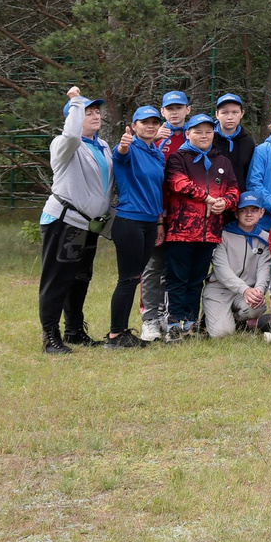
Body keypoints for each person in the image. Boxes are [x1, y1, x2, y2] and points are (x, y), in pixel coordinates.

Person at [39, 88, 114, 354]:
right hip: (65, 221)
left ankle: (74, 330)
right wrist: (74, 101)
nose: (95, 117)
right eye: (87, 113)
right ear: (73, 117)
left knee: (81, 278)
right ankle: (50, 337)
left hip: (89, 225)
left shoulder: (102, 145)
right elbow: (71, 133)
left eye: (96, 112)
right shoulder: (64, 144)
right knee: (57, 279)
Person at [104, 104, 171, 349]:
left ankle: (122, 331)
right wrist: (123, 144)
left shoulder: (155, 153)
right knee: (127, 278)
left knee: (134, 279)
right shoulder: (129, 148)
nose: (150, 125)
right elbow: (120, 154)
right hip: (130, 221)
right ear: (134, 126)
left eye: (154, 122)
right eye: (145, 122)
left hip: (149, 222)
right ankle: (114, 336)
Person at [202, 197, 271, 338]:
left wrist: (259, 291)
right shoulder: (222, 235)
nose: (249, 215)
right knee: (222, 334)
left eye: (254, 210)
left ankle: (236, 319)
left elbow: (264, 269)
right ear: (236, 214)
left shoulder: (266, 238)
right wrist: (245, 289)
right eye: (244, 211)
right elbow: (222, 270)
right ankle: (212, 315)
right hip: (220, 290)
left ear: (261, 213)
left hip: (246, 292)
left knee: (256, 307)